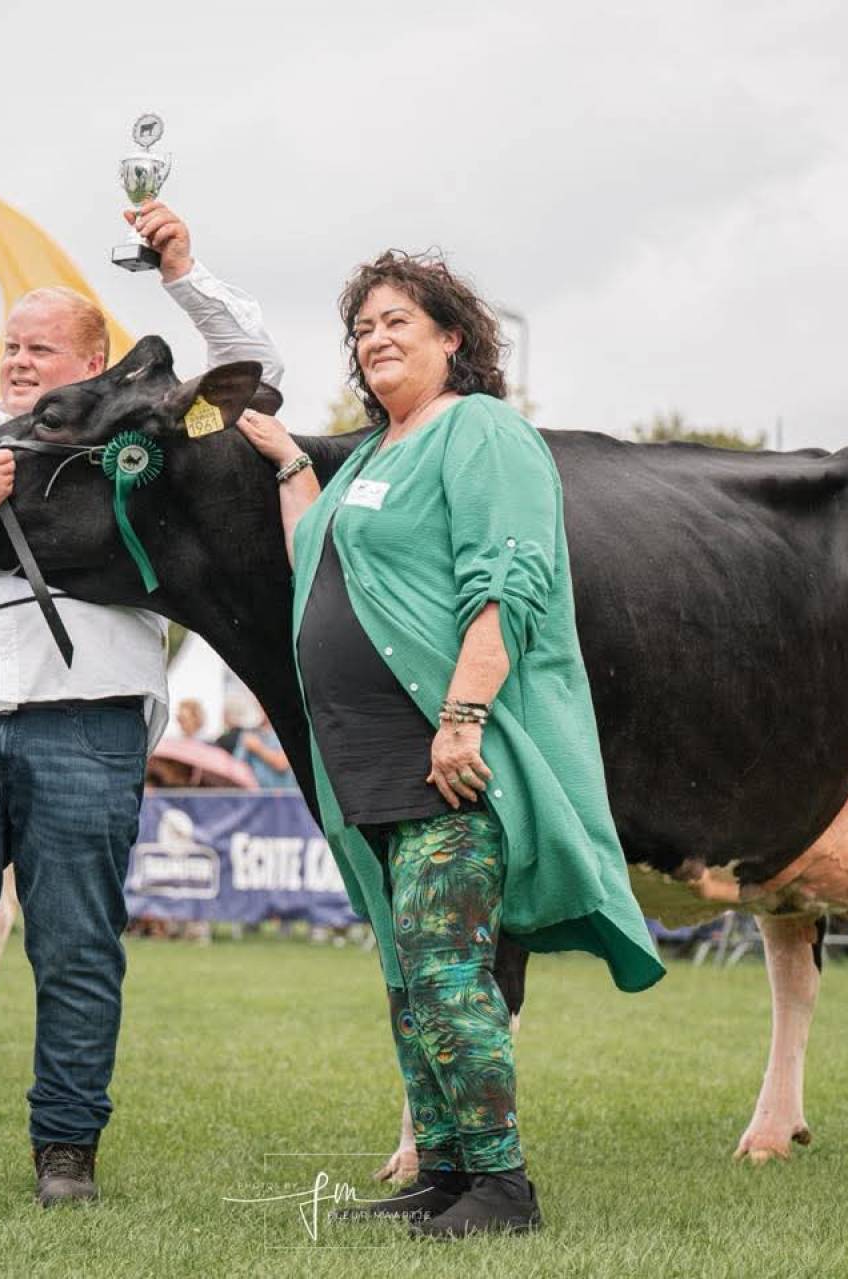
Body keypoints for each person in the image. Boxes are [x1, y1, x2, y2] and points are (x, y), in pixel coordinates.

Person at [0, 200, 283, 1203]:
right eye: (11, 346)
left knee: (76, 949)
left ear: (93, 359)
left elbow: (252, 364)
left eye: (42, 347)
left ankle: (66, 1153)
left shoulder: (143, 445)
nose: (20, 361)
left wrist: (182, 270)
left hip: (89, 720)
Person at [235, 249, 663, 1239]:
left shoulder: (480, 431)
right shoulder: (378, 456)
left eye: (398, 323)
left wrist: (462, 717)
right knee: (406, 976)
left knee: (447, 972)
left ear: (452, 338)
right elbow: (321, 559)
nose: (375, 340)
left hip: (446, 761)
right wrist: (297, 468)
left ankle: (503, 1190)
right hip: (369, 765)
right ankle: (442, 1175)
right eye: (362, 328)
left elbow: (504, 587)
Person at [231, 700, 295, 790]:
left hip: (284, 797)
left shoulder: (289, 732)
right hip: (257, 798)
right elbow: (237, 768)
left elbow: (282, 763)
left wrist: (257, 748)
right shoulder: (250, 734)